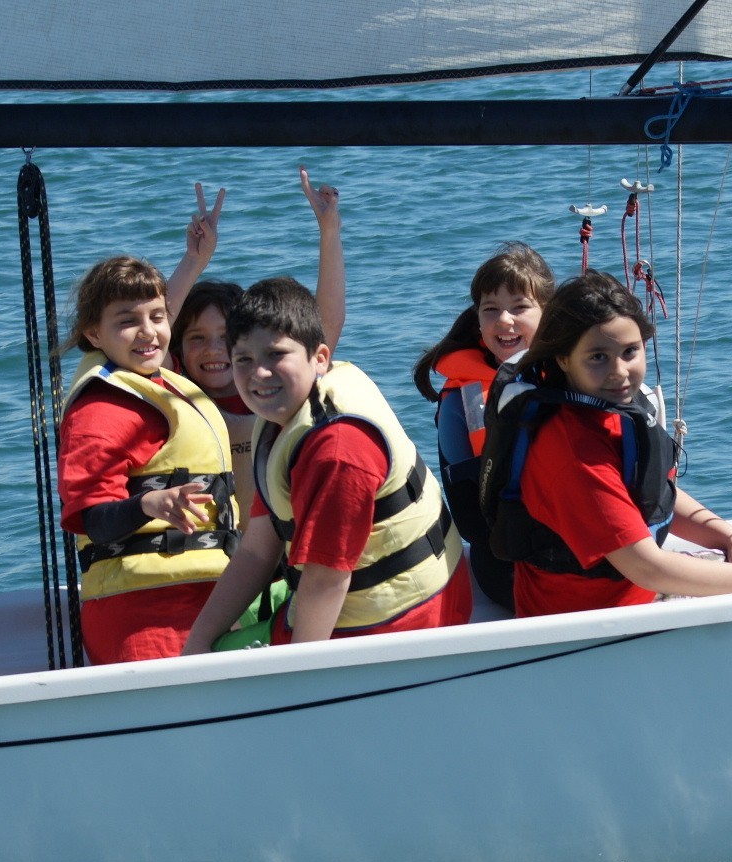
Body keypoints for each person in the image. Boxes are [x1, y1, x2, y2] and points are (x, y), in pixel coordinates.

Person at [479, 271, 732, 618]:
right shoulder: (573, 454)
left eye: (630, 351)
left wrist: (725, 535)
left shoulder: (607, 408)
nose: (619, 371)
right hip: (590, 622)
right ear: (563, 359)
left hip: (631, 594)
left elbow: (651, 493)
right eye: (598, 357)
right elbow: (646, 566)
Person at [181, 277, 472, 653]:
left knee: (220, 660)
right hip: (381, 604)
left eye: (275, 355)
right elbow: (257, 550)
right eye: (244, 360)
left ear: (319, 358)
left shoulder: (336, 450)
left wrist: (301, 677)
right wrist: (196, 643)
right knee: (199, 633)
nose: (259, 373)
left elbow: (326, 582)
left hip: (398, 624)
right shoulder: (283, 419)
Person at [56, 256, 238, 665]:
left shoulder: (164, 384)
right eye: (127, 321)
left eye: (157, 316)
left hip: (204, 600)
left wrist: (196, 258)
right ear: (93, 333)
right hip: (145, 619)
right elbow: (92, 519)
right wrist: (147, 505)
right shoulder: (101, 410)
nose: (148, 331)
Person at [169, 167, 344, 524]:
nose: (213, 349)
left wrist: (329, 231)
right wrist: (194, 260)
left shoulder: (277, 390)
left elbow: (326, 325)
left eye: (226, 337)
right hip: (214, 549)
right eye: (197, 338)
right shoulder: (175, 393)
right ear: (178, 348)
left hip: (280, 545)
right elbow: (152, 332)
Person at [412, 243, 555, 611]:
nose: (504, 320)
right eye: (491, 309)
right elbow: (470, 520)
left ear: (549, 313)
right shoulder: (461, 401)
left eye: (520, 307)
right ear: (477, 319)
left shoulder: (575, 375)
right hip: (506, 564)